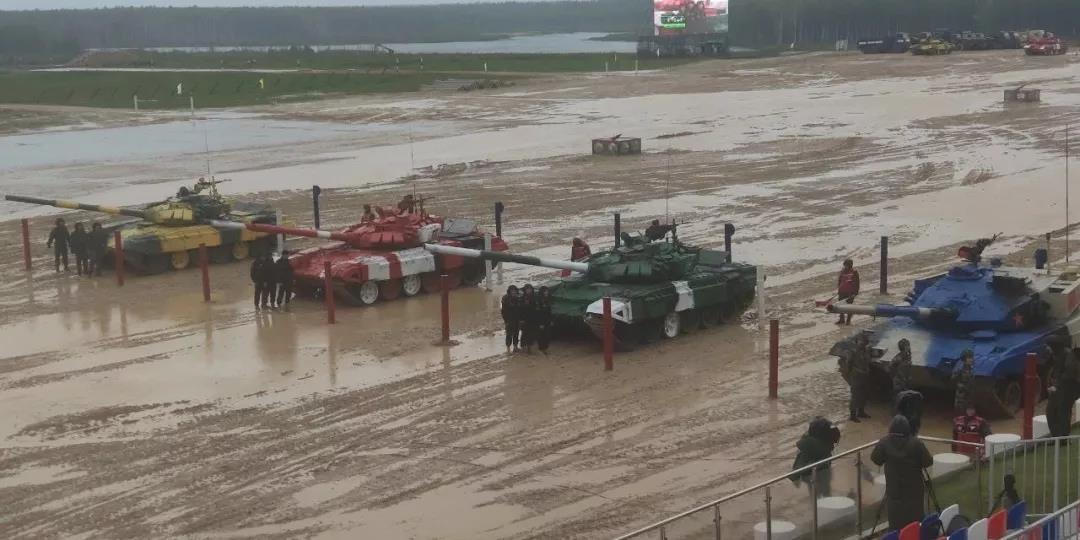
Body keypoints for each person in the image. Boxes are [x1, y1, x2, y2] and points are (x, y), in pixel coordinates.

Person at [871, 415, 934, 532]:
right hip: (914, 493)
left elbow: (876, 459)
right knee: (915, 526)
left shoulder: (884, 442)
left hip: (894, 492)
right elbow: (928, 462)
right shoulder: (916, 443)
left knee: (895, 526)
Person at [790, 416, 841, 497]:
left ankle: (818, 501)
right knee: (825, 491)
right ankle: (825, 500)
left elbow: (799, 461)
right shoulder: (825, 443)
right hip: (821, 471)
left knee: (815, 492)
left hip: (812, 473)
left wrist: (795, 476)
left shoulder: (808, 442)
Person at [1047, 346, 1080, 437]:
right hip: (1064, 388)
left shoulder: (1068, 356)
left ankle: (1062, 438)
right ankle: (1059, 437)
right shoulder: (1061, 355)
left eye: (1049, 346)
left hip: (1067, 389)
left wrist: (1056, 386)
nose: (1047, 348)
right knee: (1056, 412)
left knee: (1061, 412)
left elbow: (1070, 373)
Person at [846, 333, 871, 422]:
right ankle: (852, 415)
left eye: (864, 342)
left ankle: (861, 411)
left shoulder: (866, 350)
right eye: (861, 342)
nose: (863, 343)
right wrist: (850, 374)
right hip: (856, 375)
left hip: (865, 375)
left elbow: (868, 361)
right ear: (857, 342)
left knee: (864, 394)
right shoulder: (852, 351)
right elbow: (848, 363)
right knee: (855, 395)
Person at [836, 259, 860, 325]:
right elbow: (840, 281)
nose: (845, 266)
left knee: (849, 307)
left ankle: (848, 320)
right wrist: (839, 290)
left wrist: (855, 293)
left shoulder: (854, 272)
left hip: (850, 292)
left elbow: (857, 283)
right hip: (842, 291)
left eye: (846, 265)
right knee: (840, 306)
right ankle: (841, 319)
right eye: (845, 265)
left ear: (850, 265)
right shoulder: (842, 271)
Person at [952, 349, 976, 414]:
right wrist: (960, 385)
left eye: (971, 357)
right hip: (962, 390)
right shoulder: (960, 368)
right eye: (969, 358)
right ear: (964, 359)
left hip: (969, 389)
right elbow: (953, 378)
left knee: (969, 405)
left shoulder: (971, 367)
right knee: (960, 405)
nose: (971, 359)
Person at [501, 285, 521, 353]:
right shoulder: (505, 298)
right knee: (509, 334)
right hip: (509, 319)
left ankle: (515, 347)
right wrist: (505, 320)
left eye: (514, 290)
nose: (513, 292)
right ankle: (508, 348)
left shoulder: (518, 298)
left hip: (517, 318)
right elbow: (503, 311)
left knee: (516, 333)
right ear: (509, 291)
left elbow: (520, 309)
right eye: (512, 290)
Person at [519, 284, 538, 354]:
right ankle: (523, 347)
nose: (529, 290)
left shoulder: (534, 298)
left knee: (532, 333)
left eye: (530, 289)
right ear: (525, 290)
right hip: (524, 319)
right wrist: (521, 319)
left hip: (532, 318)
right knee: (524, 333)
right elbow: (520, 310)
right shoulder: (522, 298)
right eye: (527, 289)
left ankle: (530, 347)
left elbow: (536, 308)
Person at [535, 286, 553, 355]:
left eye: (547, 291)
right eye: (545, 291)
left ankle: (545, 348)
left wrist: (551, 320)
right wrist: (540, 323)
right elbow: (538, 313)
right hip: (541, 320)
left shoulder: (548, 299)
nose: (546, 292)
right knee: (541, 335)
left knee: (547, 335)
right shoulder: (539, 301)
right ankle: (541, 348)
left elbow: (549, 311)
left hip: (547, 320)